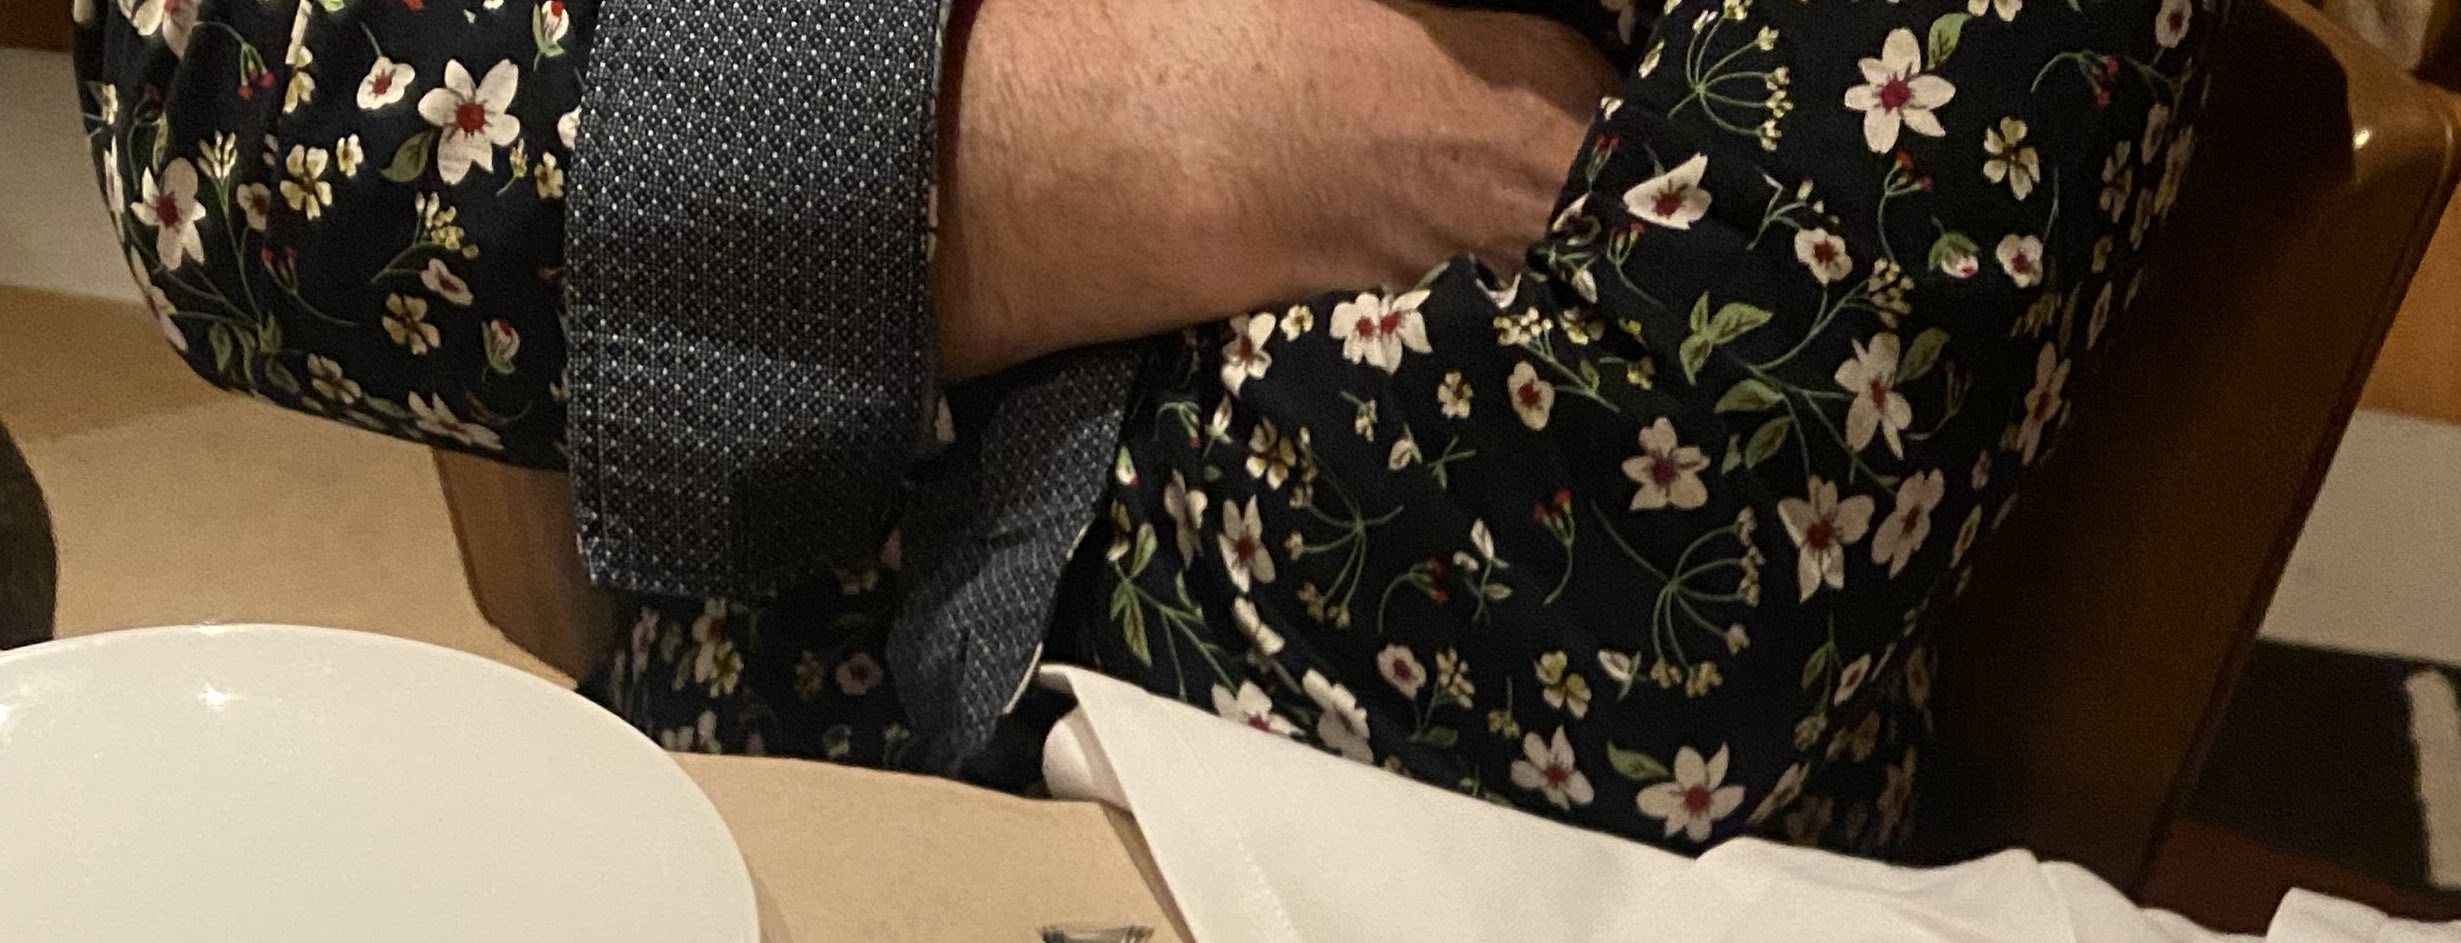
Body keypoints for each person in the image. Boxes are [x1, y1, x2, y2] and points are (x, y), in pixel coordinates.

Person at [80, 0, 2211, 853]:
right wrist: (1241, 131)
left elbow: (1597, 610)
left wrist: (750, 180)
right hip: (736, 869)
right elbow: (245, 144)